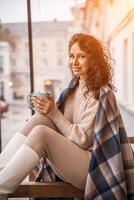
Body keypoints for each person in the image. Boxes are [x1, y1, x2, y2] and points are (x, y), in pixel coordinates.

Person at [0, 33, 134, 200]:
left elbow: (83, 139)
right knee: (39, 120)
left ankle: (1, 190)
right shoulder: (72, 88)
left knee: (41, 133)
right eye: (72, 56)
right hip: (73, 156)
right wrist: (47, 110)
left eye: (81, 56)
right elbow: (60, 125)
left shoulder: (100, 93)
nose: (74, 62)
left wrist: (53, 112)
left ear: (94, 60)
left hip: (93, 166)